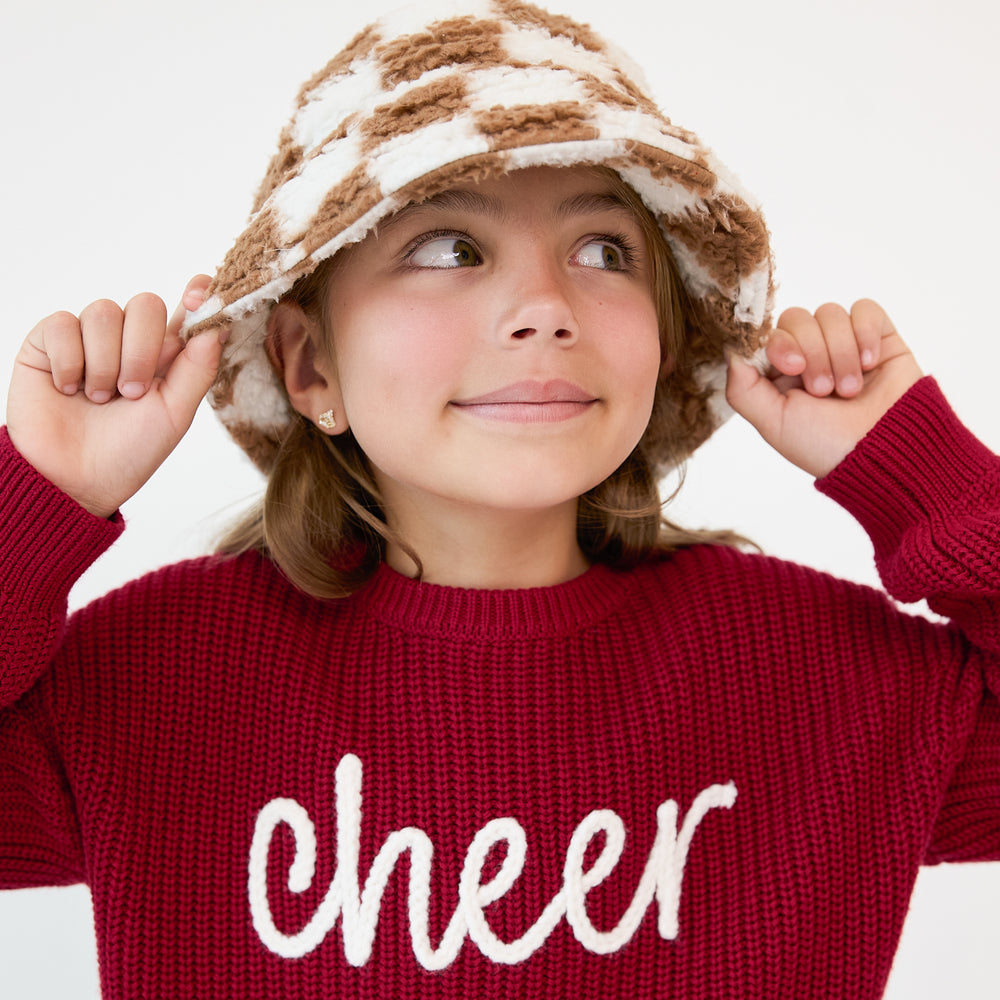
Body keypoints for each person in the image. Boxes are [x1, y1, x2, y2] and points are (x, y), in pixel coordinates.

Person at [1, 1, 997, 997]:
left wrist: (920, 470)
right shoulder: (153, 686)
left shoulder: (812, 680)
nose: (545, 310)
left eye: (604, 251)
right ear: (310, 365)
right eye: (448, 248)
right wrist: (39, 500)